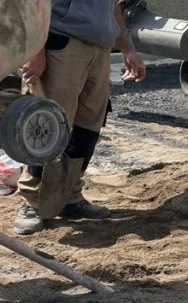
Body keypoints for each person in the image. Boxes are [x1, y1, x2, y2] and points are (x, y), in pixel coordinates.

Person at [14, 0, 147, 235]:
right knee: (49, 125)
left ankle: (70, 197)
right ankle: (32, 201)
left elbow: (113, 6)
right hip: (62, 44)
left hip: (100, 49)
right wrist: (36, 51)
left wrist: (128, 48)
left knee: (88, 126)